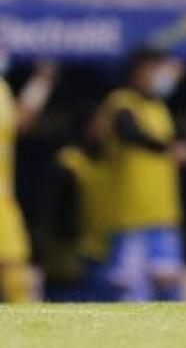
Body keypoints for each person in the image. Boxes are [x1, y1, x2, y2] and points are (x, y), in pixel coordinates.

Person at [98, 48, 186, 302]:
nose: (160, 76)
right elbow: (128, 130)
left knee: (169, 286)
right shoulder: (121, 101)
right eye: (155, 69)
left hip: (164, 214)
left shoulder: (159, 108)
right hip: (130, 217)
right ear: (139, 71)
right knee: (131, 290)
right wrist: (168, 147)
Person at [0, 55, 58, 304]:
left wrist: (41, 84)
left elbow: (17, 122)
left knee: (16, 272)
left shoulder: (1, 89)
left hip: (3, 200)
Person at [41, 110, 113, 302]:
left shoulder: (104, 163)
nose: (103, 131)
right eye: (98, 126)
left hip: (99, 250)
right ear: (84, 128)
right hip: (68, 252)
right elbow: (55, 209)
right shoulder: (68, 160)